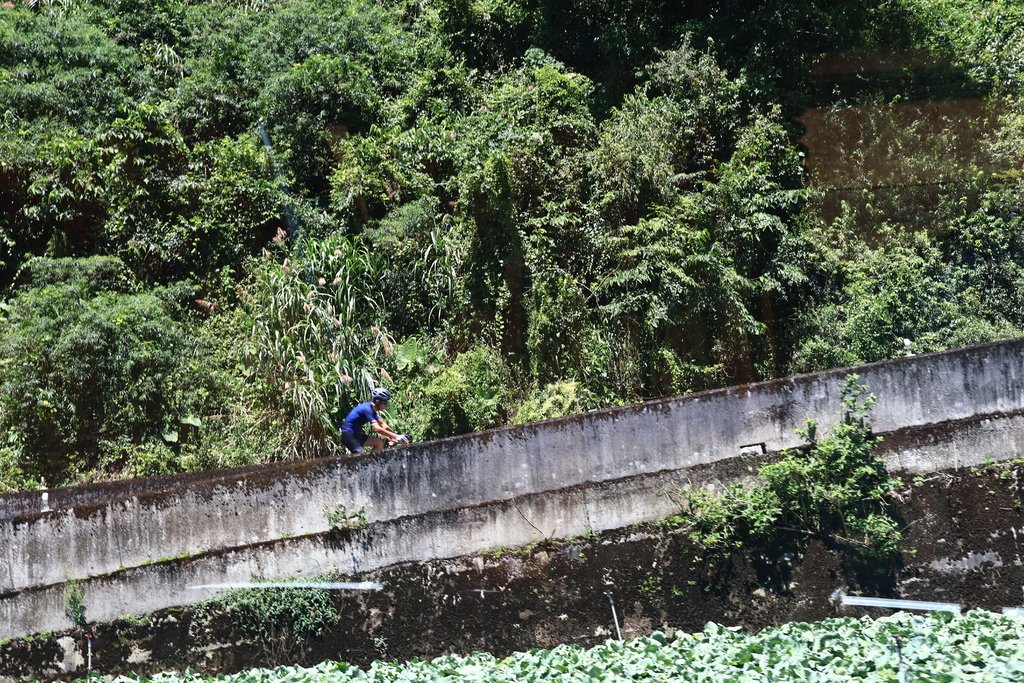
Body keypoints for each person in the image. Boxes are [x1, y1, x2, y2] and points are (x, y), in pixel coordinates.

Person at [339, 387, 409, 455]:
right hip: (349, 436)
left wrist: (394, 436)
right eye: (385, 403)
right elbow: (377, 428)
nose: (386, 405)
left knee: (379, 443)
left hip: (356, 434)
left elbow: (383, 425)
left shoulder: (372, 411)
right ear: (377, 401)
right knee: (361, 457)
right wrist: (396, 436)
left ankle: (371, 464)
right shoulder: (367, 408)